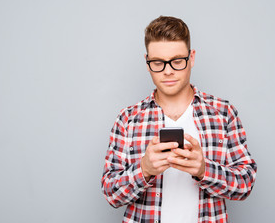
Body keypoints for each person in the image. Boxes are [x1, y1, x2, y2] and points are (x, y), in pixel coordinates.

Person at [101, 16, 257, 223]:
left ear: (191, 58)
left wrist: (204, 170)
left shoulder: (223, 113)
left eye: (177, 61)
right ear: (147, 63)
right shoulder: (128, 120)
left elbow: (245, 184)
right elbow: (111, 194)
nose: (168, 70)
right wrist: (144, 169)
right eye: (158, 62)